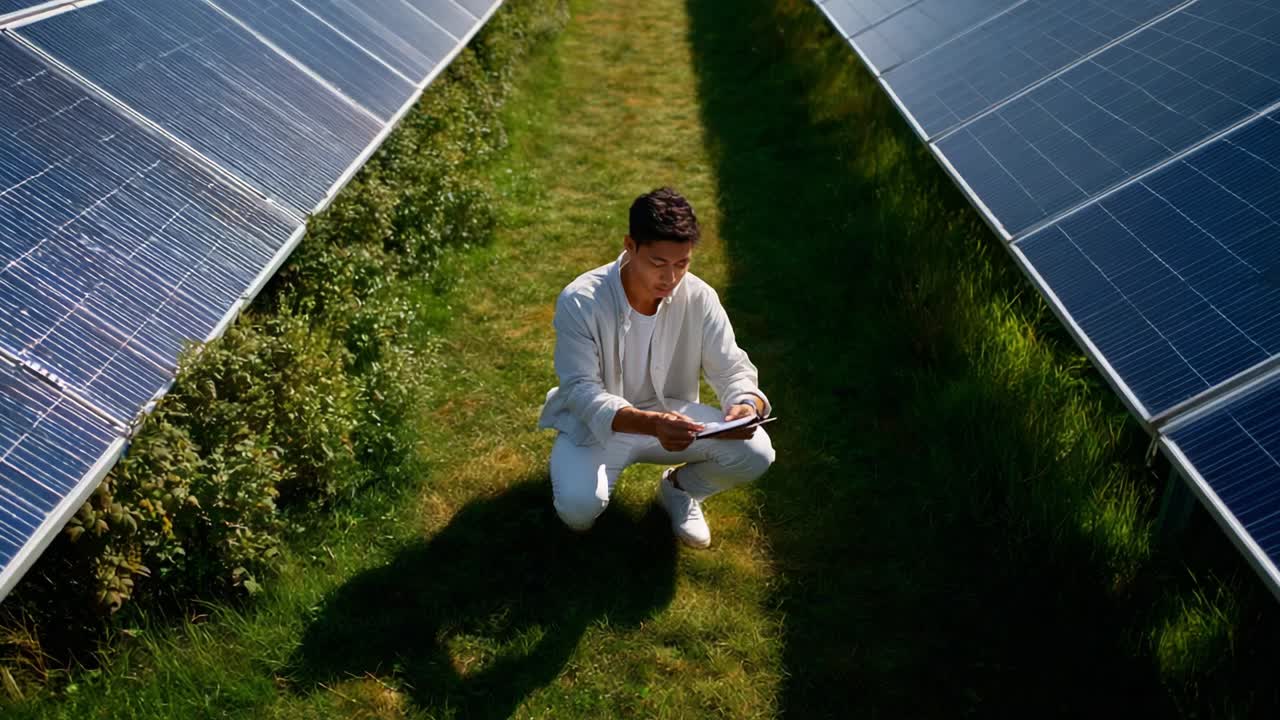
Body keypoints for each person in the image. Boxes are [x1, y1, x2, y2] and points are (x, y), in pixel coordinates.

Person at [538, 187, 775, 548]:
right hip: (597, 426)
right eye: (658, 262)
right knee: (578, 511)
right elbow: (581, 391)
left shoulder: (699, 296)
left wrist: (746, 404)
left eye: (682, 263)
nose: (671, 278)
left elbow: (732, 369)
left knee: (758, 452)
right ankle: (576, 476)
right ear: (630, 246)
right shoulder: (580, 300)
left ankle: (679, 490)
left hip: (672, 417)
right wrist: (651, 424)